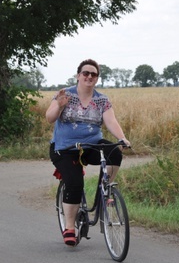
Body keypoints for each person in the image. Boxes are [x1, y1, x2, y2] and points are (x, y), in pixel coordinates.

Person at [45, 59, 131, 247]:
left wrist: (122, 138)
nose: (89, 77)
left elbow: (111, 121)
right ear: (78, 76)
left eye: (93, 74)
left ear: (97, 79)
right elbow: (49, 118)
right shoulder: (65, 94)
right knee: (75, 183)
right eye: (86, 73)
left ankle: (106, 189)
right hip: (64, 148)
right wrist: (59, 106)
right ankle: (69, 227)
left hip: (91, 145)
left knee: (114, 152)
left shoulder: (102, 100)